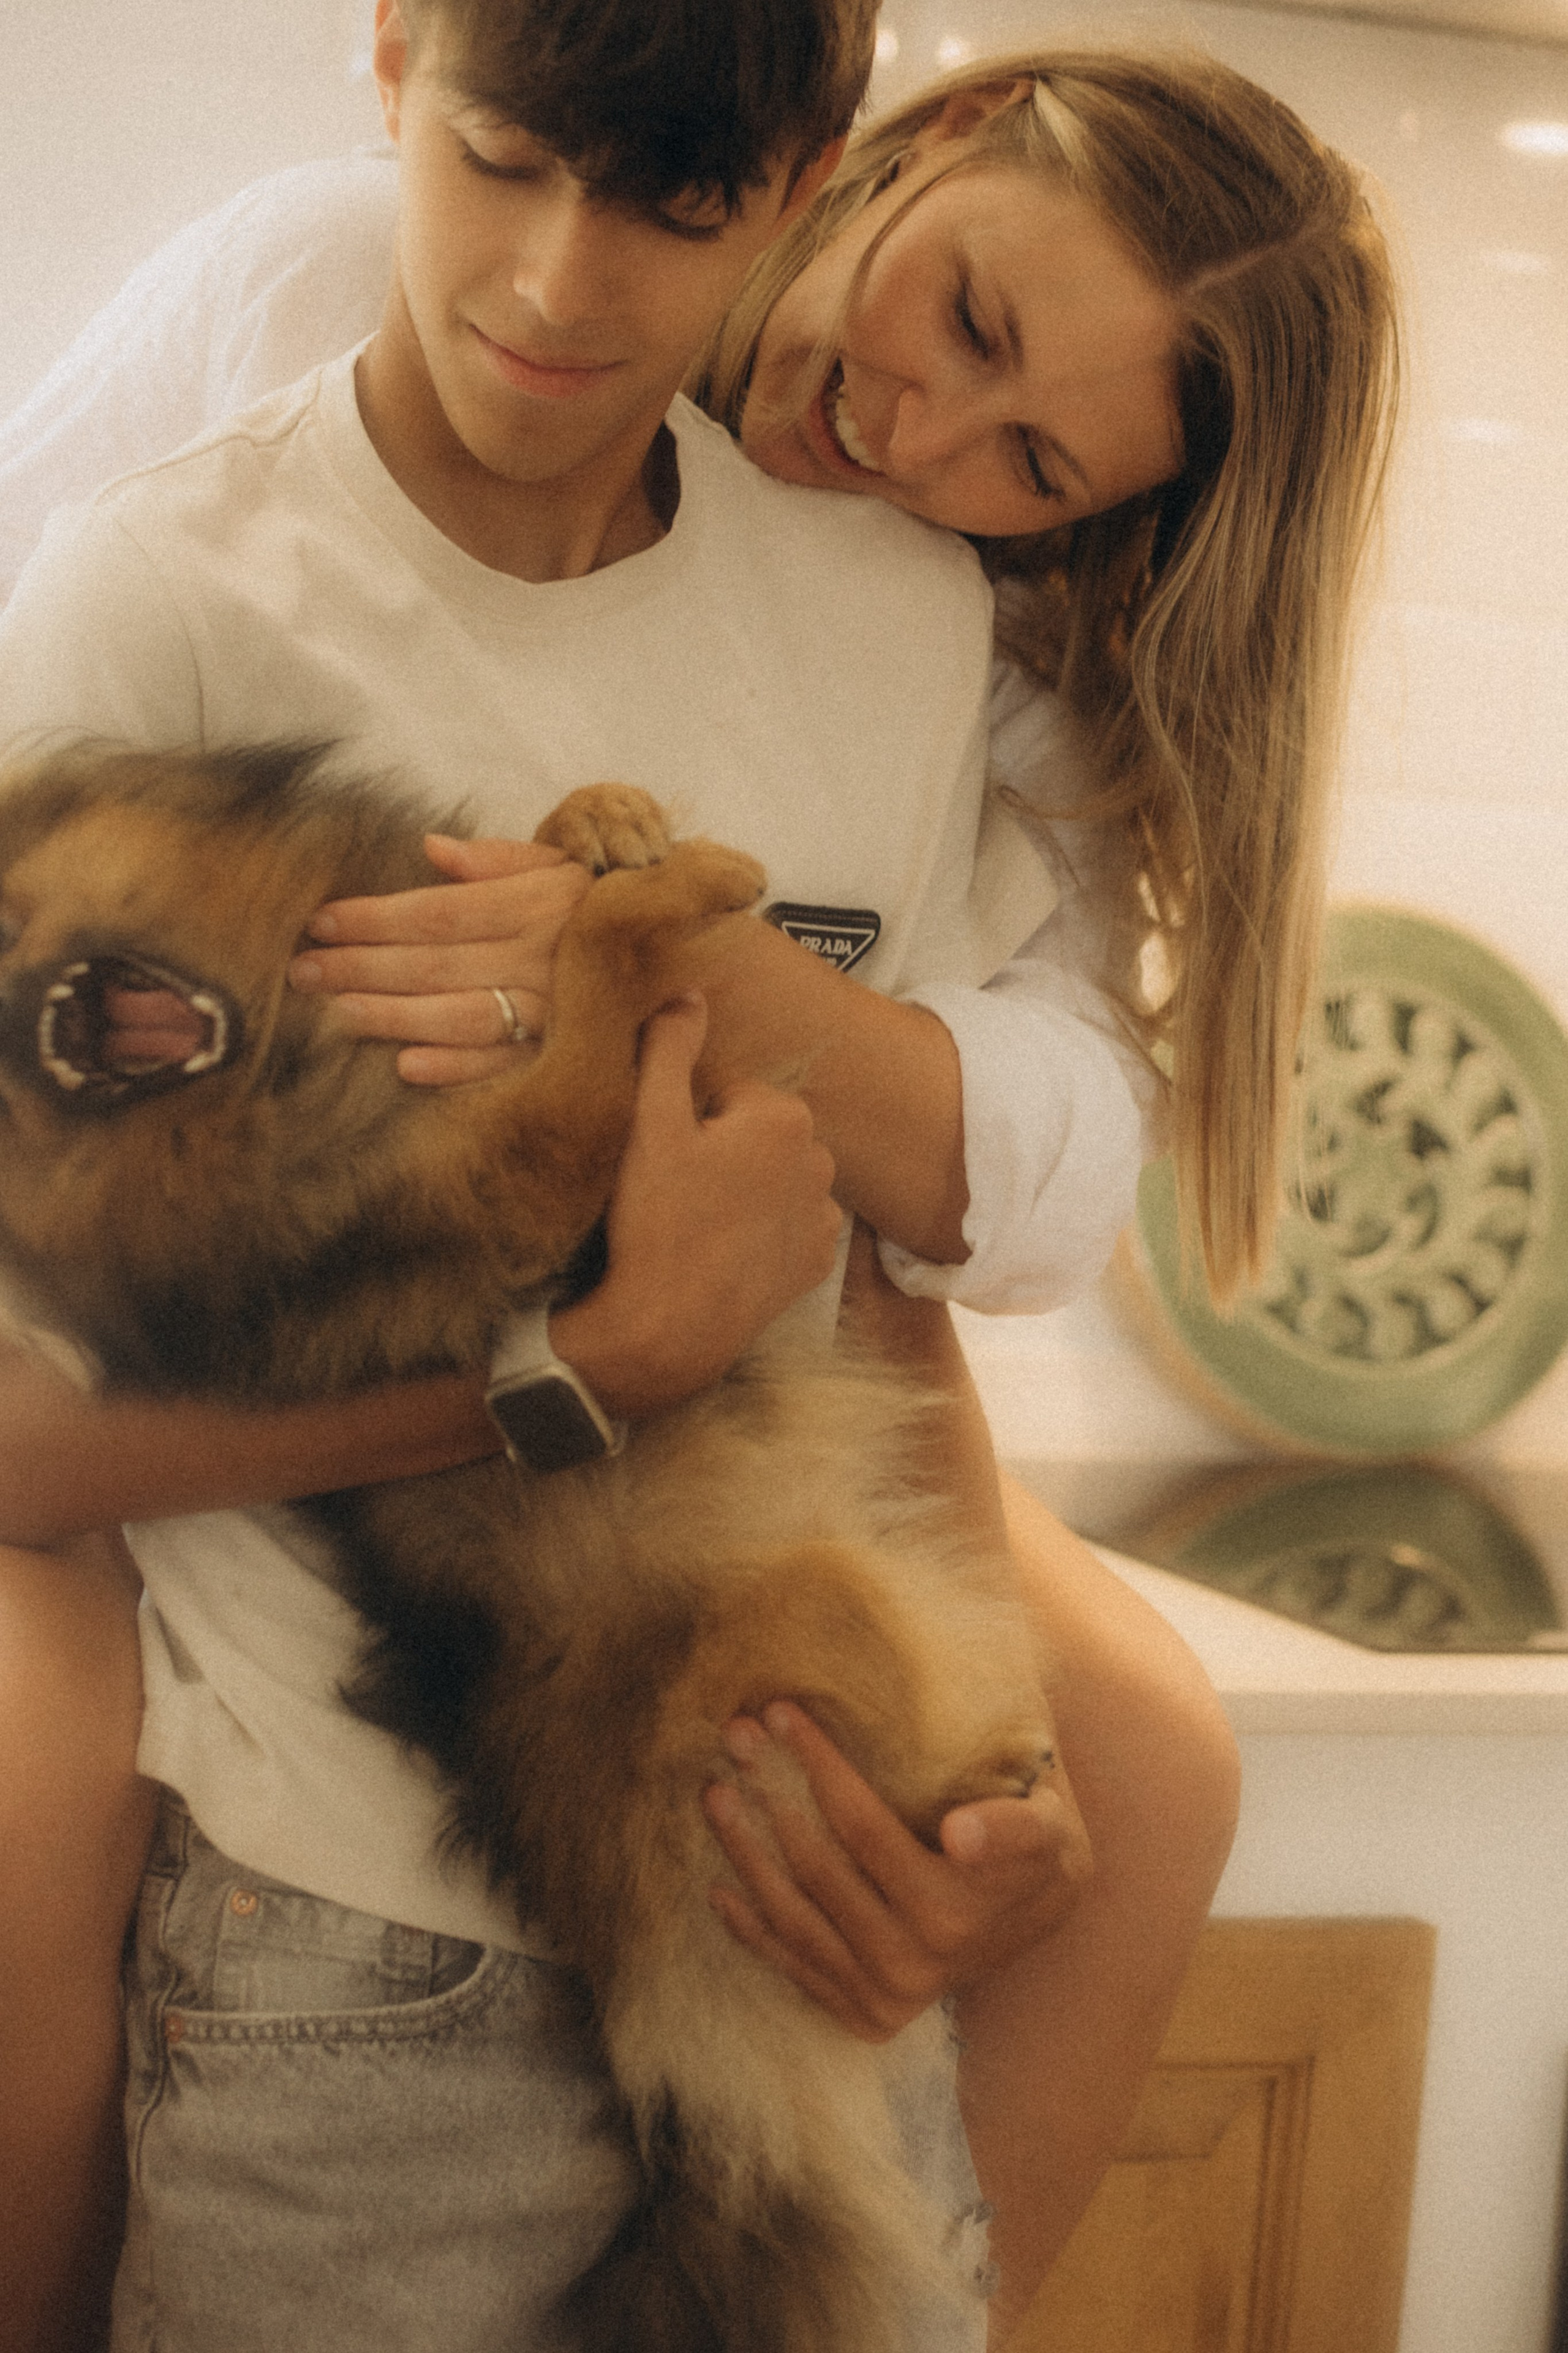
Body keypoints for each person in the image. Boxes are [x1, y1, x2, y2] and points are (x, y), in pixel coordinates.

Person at [0, 20, 1399, 2349]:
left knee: (1139, 1770)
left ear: (796, 172)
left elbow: (922, 1237)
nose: (924, 440)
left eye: (1032, 449)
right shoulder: (215, 480)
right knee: (39, 1749)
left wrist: (1004, 1769)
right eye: (958, 321)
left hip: (727, 1754)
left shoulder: (928, 614)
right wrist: (570, 1368)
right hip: (341, 1841)